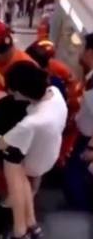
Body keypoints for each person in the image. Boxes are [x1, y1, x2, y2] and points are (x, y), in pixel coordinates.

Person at [0, 61, 68, 239]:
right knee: (21, 175)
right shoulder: (56, 93)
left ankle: (19, 230)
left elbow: (2, 143)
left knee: (11, 160)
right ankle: (32, 224)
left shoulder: (32, 123)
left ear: (20, 92)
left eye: (12, 90)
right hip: (51, 153)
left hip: (35, 163)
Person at [64, 33, 93, 210]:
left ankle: (80, 210)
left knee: (72, 178)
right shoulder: (89, 78)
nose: (80, 52)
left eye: (83, 48)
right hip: (82, 136)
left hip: (88, 141)